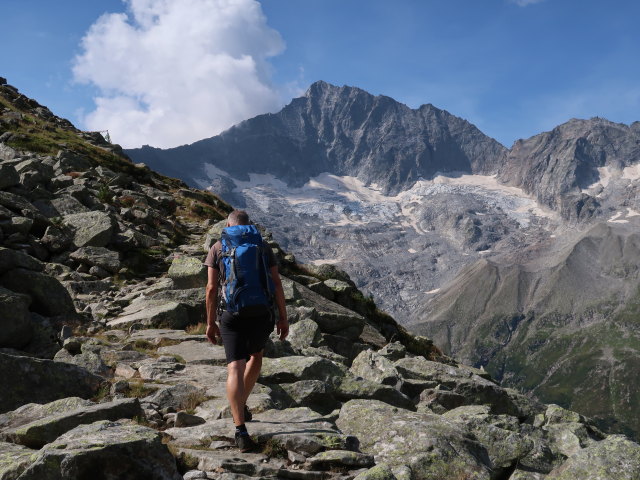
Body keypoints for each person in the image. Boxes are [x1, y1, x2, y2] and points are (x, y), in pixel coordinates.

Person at [204, 210, 289, 452]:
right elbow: (277, 283)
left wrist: (210, 323)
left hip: (231, 314)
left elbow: (211, 288)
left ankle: (240, 428)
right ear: (249, 226)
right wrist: (283, 318)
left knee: (234, 366)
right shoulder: (262, 246)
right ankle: (241, 404)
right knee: (256, 355)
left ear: (228, 225)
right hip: (261, 312)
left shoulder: (218, 247)